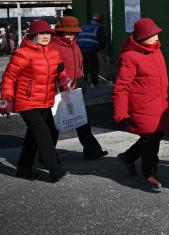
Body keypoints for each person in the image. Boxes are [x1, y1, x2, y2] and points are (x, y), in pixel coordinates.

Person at [0, 20, 71, 182]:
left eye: (48, 33)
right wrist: (6, 98)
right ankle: (54, 168)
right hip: (26, 100)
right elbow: (9, 77)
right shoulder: (23, 53)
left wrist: (64, 79)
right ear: (33, 35)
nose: (45, 36)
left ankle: (24, 169)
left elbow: (60, 71)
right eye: (41, 33)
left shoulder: (54, 52)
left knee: (33, 136)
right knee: (43, 134)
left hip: (46, 100)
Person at [113, 18, 169, 189]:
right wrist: (120, 113)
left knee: (155, 136)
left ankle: (127, 158)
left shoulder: (156, 51)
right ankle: (150, 174)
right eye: (152, 35)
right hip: (142, 107)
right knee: (150, 140)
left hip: (160, 104)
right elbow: (121, 87)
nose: (157, 39)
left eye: (157, 35)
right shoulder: (129, 57)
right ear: (141, 37)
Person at [51, 16, 108, 160]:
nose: (71, 35)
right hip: (58, 89)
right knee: (54, 124)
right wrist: (60, 84)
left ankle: (92, 151)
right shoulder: (53, 47)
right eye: (67, 32)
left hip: (76, 87)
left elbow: (80, 65)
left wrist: (81, 81)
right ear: (60, 32)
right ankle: (48, 156)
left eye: (74, 32)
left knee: (82, 120)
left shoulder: (75, 45)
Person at [77, 13, 107, 87]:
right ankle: (93, 83)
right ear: (100, 21)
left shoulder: (83, 26)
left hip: (80, 49)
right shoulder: (98, 28)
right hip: (91, 49)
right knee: (94, 66)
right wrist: (100, 50)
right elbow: (102, 41)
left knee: (84, 66)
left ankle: (84, 82)